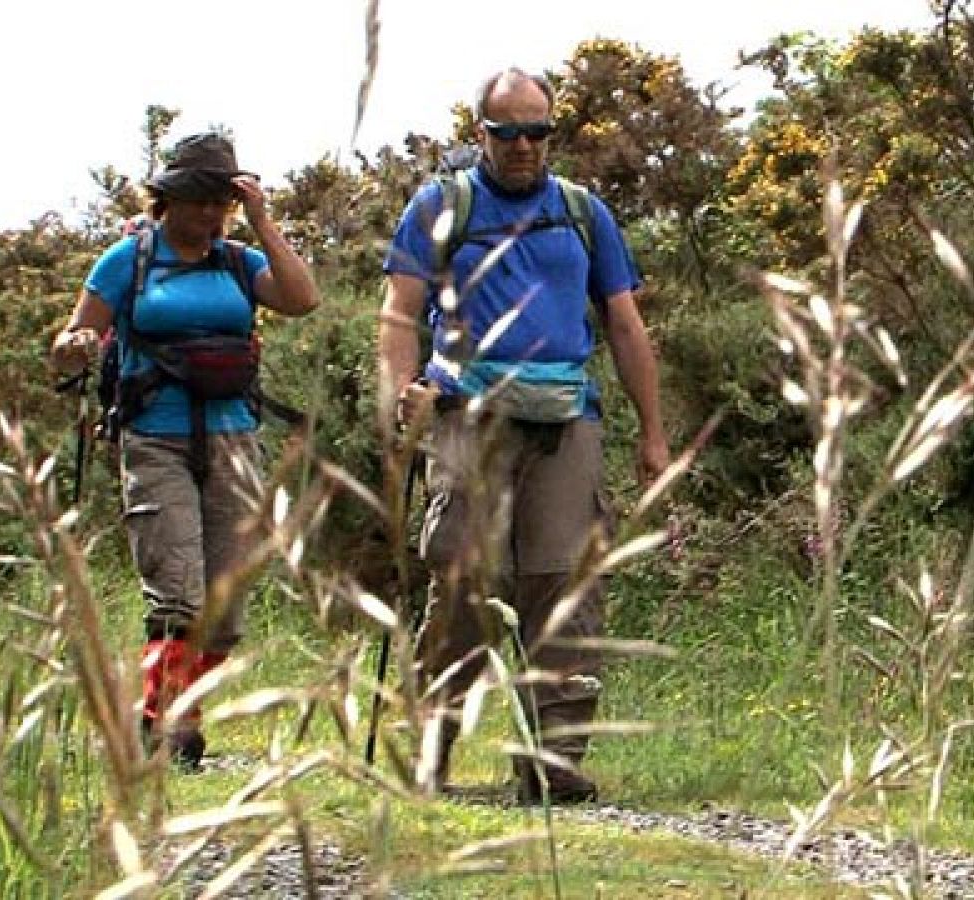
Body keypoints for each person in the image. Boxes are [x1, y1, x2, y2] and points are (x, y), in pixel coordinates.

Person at [378, 67, 670, 803]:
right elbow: (399, 314)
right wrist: (400, 400)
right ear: (481, 132)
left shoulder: (581, 211)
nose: (523, 146)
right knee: (468, 586)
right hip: (464, 415)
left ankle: (555, 764)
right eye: (507, 132)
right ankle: (428, 754)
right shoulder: (441, 205)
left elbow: (625, 323)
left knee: (565, 582)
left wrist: (654, 435)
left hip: (567, 418)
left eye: (537, 132)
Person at [48, 133, 320, 767]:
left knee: (225, 602)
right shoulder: (128, 261)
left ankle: (183, 706)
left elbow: (303, 299)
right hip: (153, 437)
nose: (208, 213)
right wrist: (75, 347)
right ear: (166, 200)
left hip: (234, 438)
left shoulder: (239, 261)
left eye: (220, 201)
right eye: (197, 199)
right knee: (176, 592)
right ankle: (167, 722)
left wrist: (261, 221)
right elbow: (75, 331)